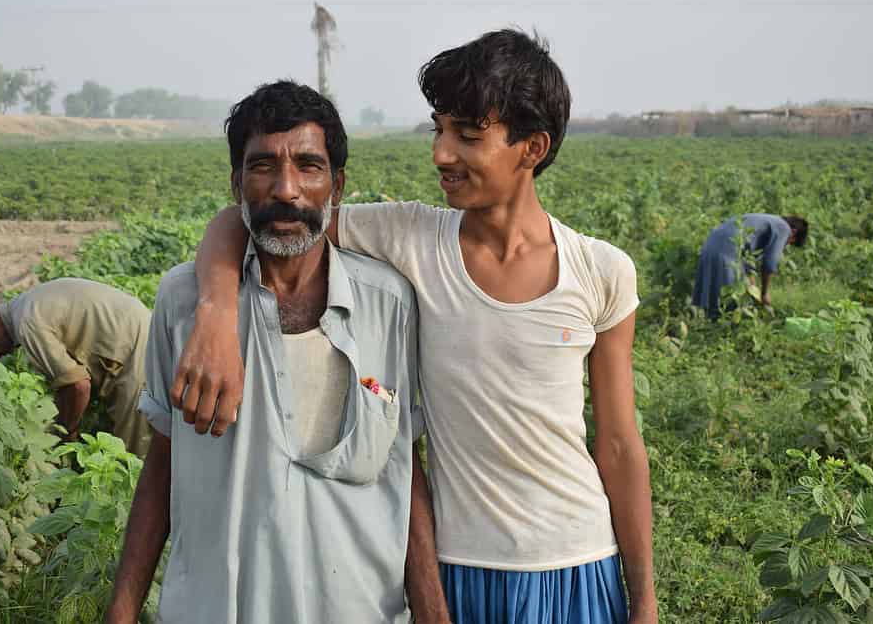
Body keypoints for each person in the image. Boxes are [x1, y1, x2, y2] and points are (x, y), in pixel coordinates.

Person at [171, 31, 657, 623]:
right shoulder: (412, 240)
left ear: (532, 148)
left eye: (468, 137)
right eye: (439, 130)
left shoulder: (601, 271)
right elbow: (258, 214)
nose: (442, 154)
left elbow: (617, 444)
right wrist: (217, 313)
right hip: (460, 567)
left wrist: (645, 598)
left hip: (581, 559)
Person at [105, 81, 445, 623]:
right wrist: (121, 612)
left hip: (359, 608)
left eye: (308, 166)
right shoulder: (184, 302)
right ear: (237, 181)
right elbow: (164, 457)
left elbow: (403, 464)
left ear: (337, 184)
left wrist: (434, 613)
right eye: (263, 166)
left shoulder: (389, 304)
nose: (286, 189)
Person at [0, 278, 152, 456]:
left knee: (132, 457)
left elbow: (78, 386)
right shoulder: (26, 303)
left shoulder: (27, 324)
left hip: (136, 352)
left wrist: (64, 433)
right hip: (139, 331)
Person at [691, 213, 809, 318]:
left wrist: (754, 289)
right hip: (728, 249)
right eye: (790, 242)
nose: (786, 244)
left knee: (715, 295)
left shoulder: (767, 220)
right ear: (794, 232)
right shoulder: (784, 228)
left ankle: (712, 328)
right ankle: (723, 332)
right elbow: (769, 263)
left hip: (710, 244)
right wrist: (764, 294)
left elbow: (747, 260)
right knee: (730, 300)